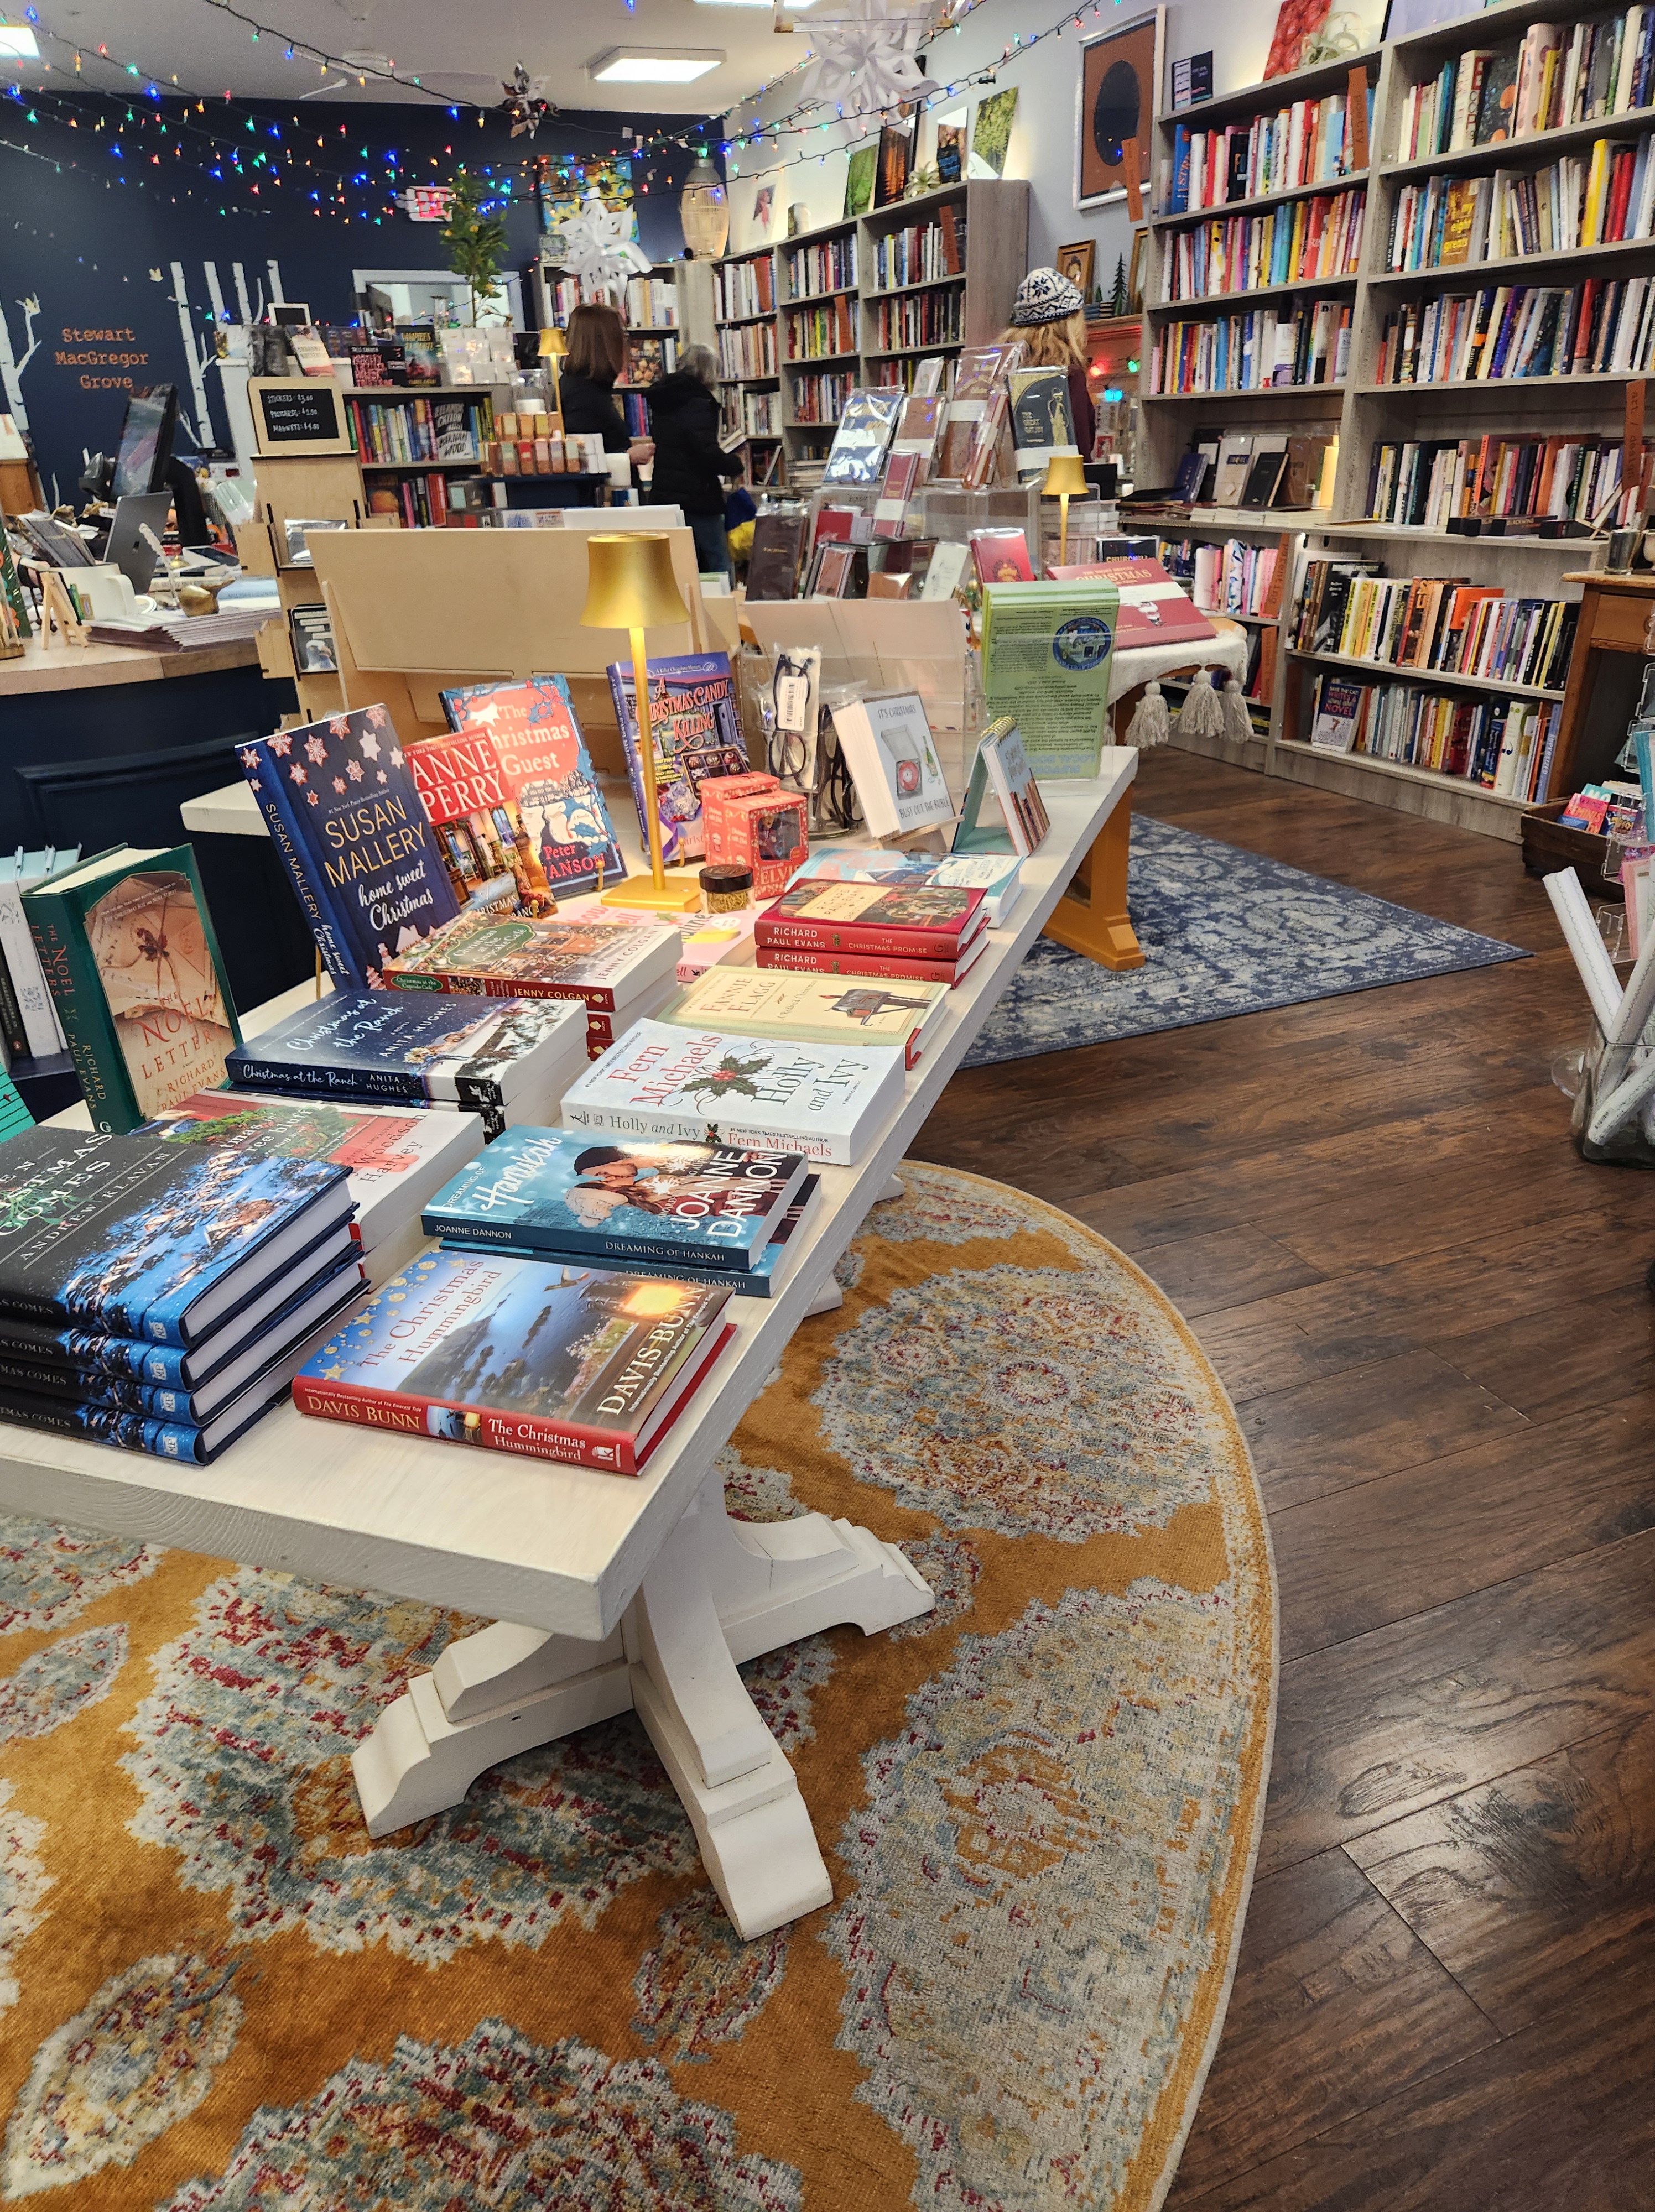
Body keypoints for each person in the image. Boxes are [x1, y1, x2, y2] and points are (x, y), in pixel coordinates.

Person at [645, 343, 738, 579]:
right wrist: (734, 464)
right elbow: (704, 451)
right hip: (697, 495)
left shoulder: (665, 399)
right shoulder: (697, 403)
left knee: (680, 563)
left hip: (666, 494)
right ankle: (724, 611)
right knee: (718, 561)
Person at [1002, 267, 1096, 463]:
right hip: (1059, 487)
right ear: (1070, 321)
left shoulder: (1001, 368)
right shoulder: (1068, 376)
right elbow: (1080, 453)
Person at [556, 301, 653, 474]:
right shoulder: (583, 395)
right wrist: (628, 457)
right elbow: (581, 459)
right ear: (607, 343)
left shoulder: (587, 387)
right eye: (621, 337)